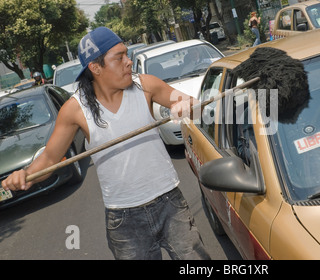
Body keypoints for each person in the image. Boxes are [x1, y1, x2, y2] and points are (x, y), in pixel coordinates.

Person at [2, 27, 210, 260]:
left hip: (169, 202)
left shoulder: (146, 85)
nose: (128, 62)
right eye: (119, 57)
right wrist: (26, 175)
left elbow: (195, 104)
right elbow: (50, 158)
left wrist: (186, 106)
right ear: (95, 67)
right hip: (124, 220)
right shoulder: (74, 109)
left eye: (126, 54)